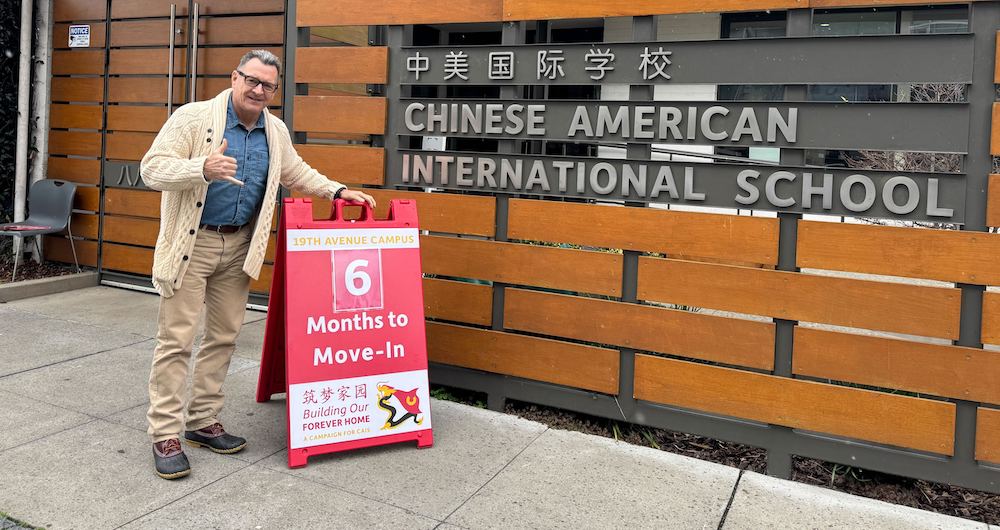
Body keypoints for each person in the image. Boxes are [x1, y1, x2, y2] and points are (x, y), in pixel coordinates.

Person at [140, 50, 375, 480]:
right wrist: (201, 168)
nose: (258, 90)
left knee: (224, 338)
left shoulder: (275, 129)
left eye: (268, 85)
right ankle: (165, 433)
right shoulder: (193, 118)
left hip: (240, 245)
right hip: (193, 245)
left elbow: (295, 172)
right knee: (177, 340)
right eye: (252, 80)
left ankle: (203, 421)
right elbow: (151, 169)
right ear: (235, 77)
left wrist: (339, 193)